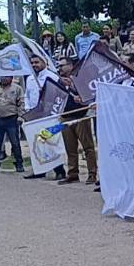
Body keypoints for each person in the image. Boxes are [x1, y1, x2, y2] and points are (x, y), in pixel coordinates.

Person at [24, 55, 66, 181]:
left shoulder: (52, 77)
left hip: (48, 116)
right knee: (36, 143)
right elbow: (27, 95)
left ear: (45, 62)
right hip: (34, 115)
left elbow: (57, 94)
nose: (34, 65)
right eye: (32, 62)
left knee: (51, 142)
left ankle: (59, 170)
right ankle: (39, 169)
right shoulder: (30, 78)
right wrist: (27, 109)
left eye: (37, 62)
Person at [57, 57, 98, 187]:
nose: (60, 68)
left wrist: (74, 89)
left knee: (88, 147)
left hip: (81, 115)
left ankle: (92, 173)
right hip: (65, 116)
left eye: (62, 65)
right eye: (59, 66)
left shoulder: (81, 78)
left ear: (70, 65)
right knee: (70, 147)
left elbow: (90, 94)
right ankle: (73, 173)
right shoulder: (59, 81)